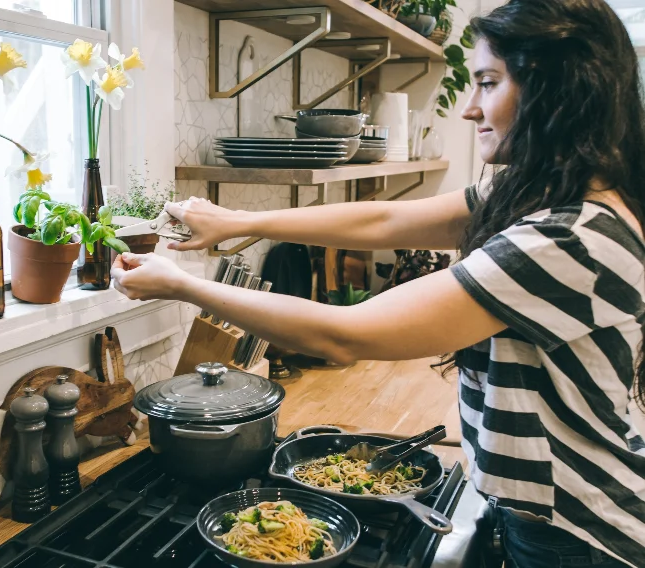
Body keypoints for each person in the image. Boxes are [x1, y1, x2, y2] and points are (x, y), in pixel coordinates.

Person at [112, 0, 645, 566]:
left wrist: (184, 285)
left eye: (487, 83)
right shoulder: (541, 194)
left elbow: (348, 334)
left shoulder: (568, 235)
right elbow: (383, 220)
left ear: (557, 91)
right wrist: (240, 221)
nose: (469, 109)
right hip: (543, 511)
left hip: (578, 532)